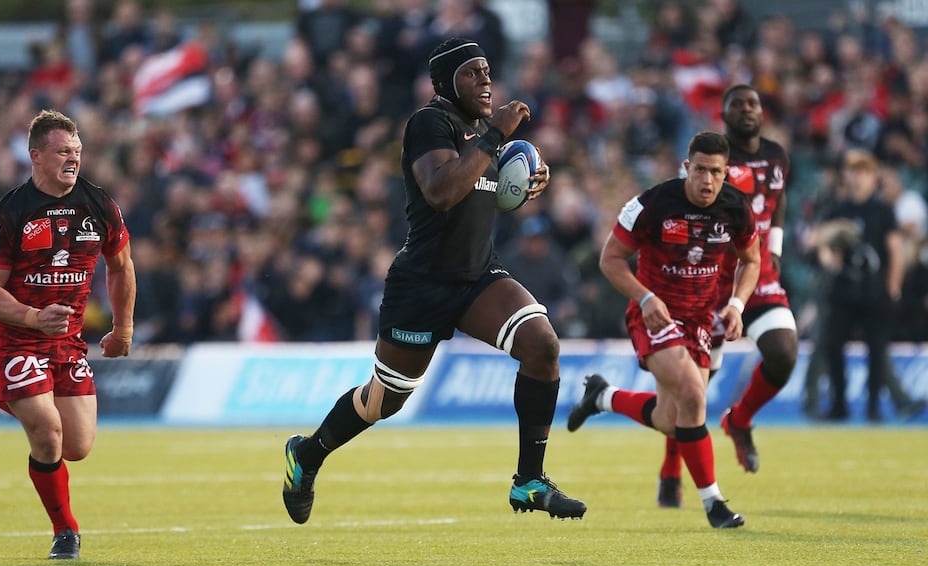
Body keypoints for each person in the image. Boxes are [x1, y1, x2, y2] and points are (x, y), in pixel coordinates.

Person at [282, 37, 585, 525]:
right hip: (422, 283)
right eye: (472, 72)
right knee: (383, 401)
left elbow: (488, 189)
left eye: (488, 71)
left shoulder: (488, 130)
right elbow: (442, 191)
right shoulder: (430, 122)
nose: (485, 80)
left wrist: (528, 180)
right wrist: (494, 140)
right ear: (445, 84)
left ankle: (529, 479)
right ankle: (309, 452)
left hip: (477, 274)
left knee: (542, 343)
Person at [0, 110, 136, 560]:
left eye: (77, 151)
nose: (73, 159)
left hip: (66, 340)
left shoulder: (99, 204)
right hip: (15, 337)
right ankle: (66, 532)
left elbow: (121, 267)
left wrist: (123, 327)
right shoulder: (8, 213)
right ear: (36, 156)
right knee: (47, 433)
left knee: (77, 447)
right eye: (63, 151)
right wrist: (34, 318)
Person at [567, 131, 760, 529]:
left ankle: (603, 396)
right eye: (701, 170)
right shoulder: (652, 204)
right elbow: (611, 259)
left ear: (727, 174)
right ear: (687, 167)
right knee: (693, 394)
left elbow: (751, 260)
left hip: (700, 321)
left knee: (676, 420)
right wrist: (644, 297)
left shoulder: (736, 208)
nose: (708, 181)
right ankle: (715, 505)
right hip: (655, 316)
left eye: (717, 173)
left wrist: (737, 305)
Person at [655, 85, 798, 508]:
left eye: (753, 104)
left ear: (762, 111)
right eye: (738, 105)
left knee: (784, 353)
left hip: (756, 272)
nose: (747, 110)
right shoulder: (714, 161)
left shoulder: (777, 156)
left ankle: (739, 420)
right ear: (724, 113)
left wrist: (774, 250)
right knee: (693, 387)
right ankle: (670, 471)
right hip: (712, 279)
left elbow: (778, 199)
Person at [810, 149, 905, 421]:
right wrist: (827, 256)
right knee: (833, 347)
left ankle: (873, 406)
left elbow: (895, 248)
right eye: (853, 171)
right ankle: (839, 404)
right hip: (841, 291)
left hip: (874, 291)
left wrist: (893, 285)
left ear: (874, 177)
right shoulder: (838, 208)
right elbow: (820, 241)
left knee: (876, 350)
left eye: (863, 172)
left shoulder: (882, 210)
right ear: (846, 175)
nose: (857, 177)